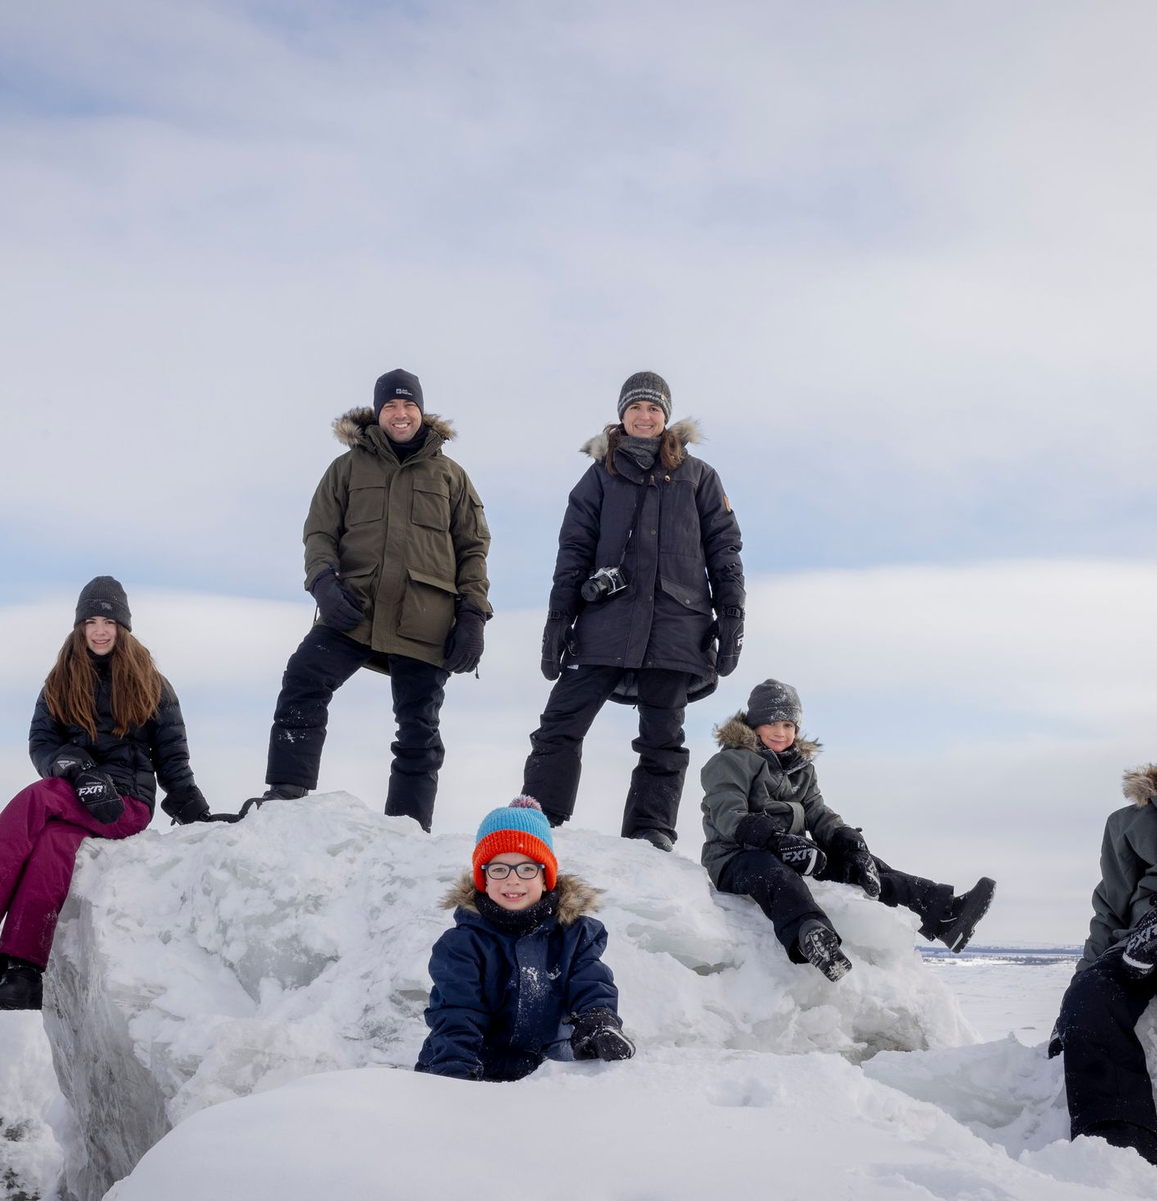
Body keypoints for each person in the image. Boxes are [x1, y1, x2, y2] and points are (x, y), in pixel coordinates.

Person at [0, 576, 218, 1010]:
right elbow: (42, 744)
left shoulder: (152, 683)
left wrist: (198, 814)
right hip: (77, 792)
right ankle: (21, 972)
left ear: (123, 627)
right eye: (91, 621)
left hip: (125, 804)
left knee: (38, 798)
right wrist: (73, 767)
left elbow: (173, 758)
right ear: (79, 627)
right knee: (51, 847)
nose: (100, 630)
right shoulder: (59, 681)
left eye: (109, 621)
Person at [247, 369, 491, 830]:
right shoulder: (346, 468)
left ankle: (408, 829)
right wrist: (322, 582)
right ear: (378, 414)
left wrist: (473, 616)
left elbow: (473, 549)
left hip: (425, 618)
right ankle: (286, 793)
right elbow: (319, 531)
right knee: (303, 679)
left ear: (422, 412)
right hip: (352, 609)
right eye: (391, 407)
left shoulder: (451, 477)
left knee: (419, 729)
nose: (400, 414)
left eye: (409, 406)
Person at [520, 371, 744, 851]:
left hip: (677, 627)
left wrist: (732, 619)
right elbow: (573, 549)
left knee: (663, 737)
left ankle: (651, 833)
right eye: (636, 408)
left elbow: (725, 552)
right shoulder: (600, 476)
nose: (645, 417)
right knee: (560, 723)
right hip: (605, 622)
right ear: (621, 415)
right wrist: (559, 620)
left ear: (667, 417)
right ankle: (539, 819)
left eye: (654, 409)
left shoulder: (700, 476)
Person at [700, 678, 996, 981]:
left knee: (864, 866)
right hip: (736, 857)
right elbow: (728, 814)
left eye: (789, 725)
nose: (781, 732)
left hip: (792, 851)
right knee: (775, 875)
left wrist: (849, 842)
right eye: (772, 723)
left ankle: (944, 915)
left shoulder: (801, 769)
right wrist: (775, 841)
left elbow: (816, 811)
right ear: (755, 724)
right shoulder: (730, 761)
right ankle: (812, 937)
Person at [416, 796, 635, 1081]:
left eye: (527, 868)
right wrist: (454, 1076)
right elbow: (457, 1014)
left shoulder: (574, 935)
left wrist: (598, 1021)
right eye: (499, 869)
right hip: (474, 1071)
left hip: (547, 1078)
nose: (513, 879)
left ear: (546, 877)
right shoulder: (461, 945)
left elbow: (591, 983)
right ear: (484, 878)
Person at [1048, 763, 1157, 1166]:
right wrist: (1074, 998)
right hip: (1140, 940)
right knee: (1092, 998)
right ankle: (1120, 1154)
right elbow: (1110, 912)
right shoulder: (1127, 823)